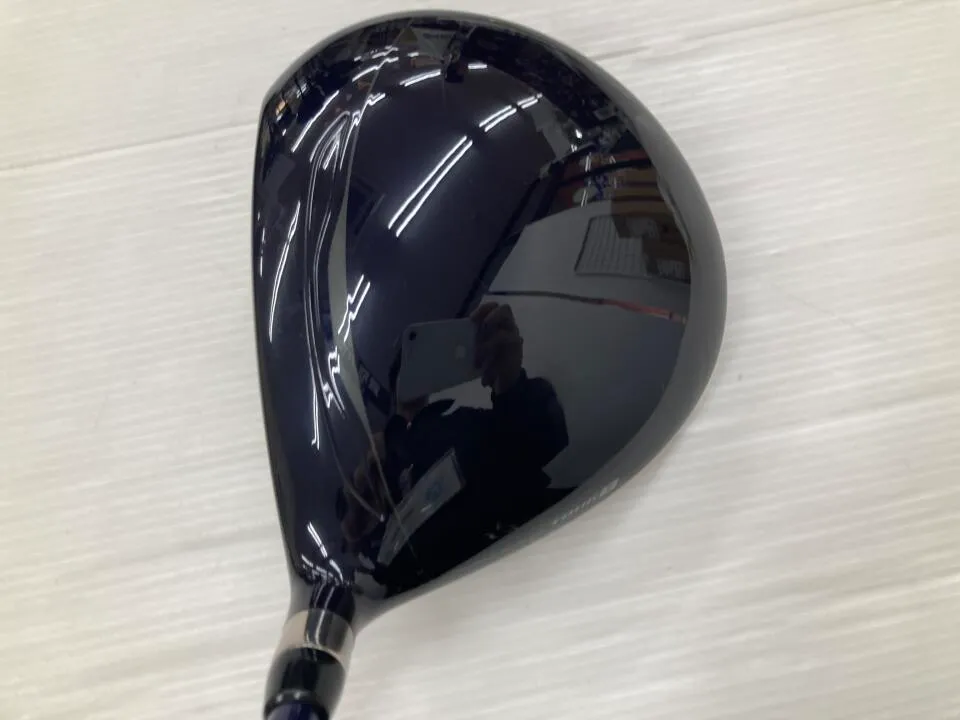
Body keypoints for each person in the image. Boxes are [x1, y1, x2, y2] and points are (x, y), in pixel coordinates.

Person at [338, 302, 570, 590]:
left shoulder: (456, 425)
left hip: (529, 562)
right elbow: (358, 555)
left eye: (424, 362)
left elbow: (545, 440)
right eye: (411, 363)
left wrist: (510, 382)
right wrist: (361, 506)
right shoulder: (378, 467)